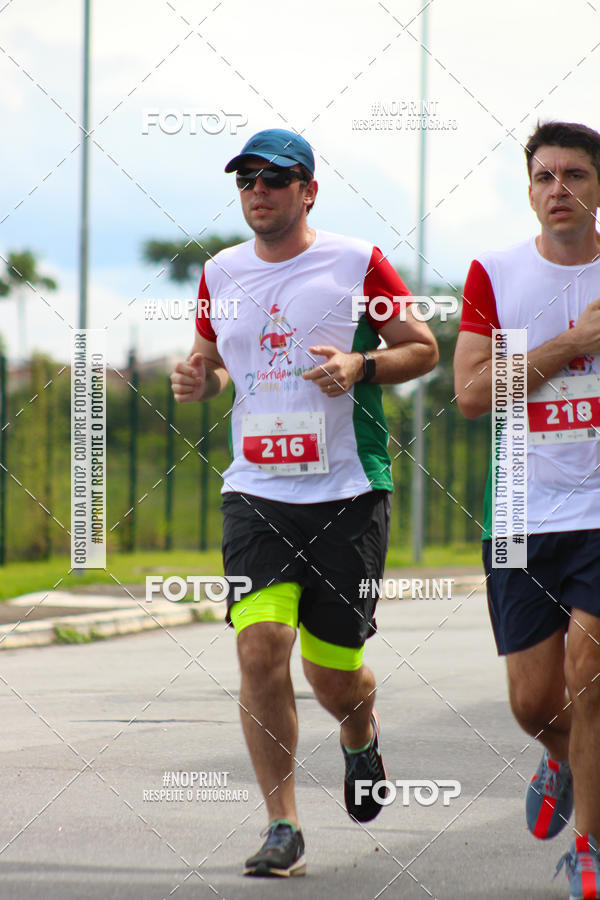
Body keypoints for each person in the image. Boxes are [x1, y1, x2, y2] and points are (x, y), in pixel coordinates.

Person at [170, 128, 438, 877]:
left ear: (308, 190)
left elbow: (422, 346)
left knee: (333, 673)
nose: (259, 190)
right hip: (256, 491)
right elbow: (214, 360)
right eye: (247, 179)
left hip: (348, 491)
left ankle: (360, 737)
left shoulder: (356, 261)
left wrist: (362, 363)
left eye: (275, 178)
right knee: (260, 649)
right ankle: (282, 824)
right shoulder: (220, 272)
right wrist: (202, 381)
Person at [453, 121, 600, 900]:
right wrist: (569, 344)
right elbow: (473, 395)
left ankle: (590, 850)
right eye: (545, 177)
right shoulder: (496, 274)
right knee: (534, 703)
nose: (559, 190)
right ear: (530, 188)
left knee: (591, 668)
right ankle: (565, 759)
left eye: (575, 174)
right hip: (520, 513)